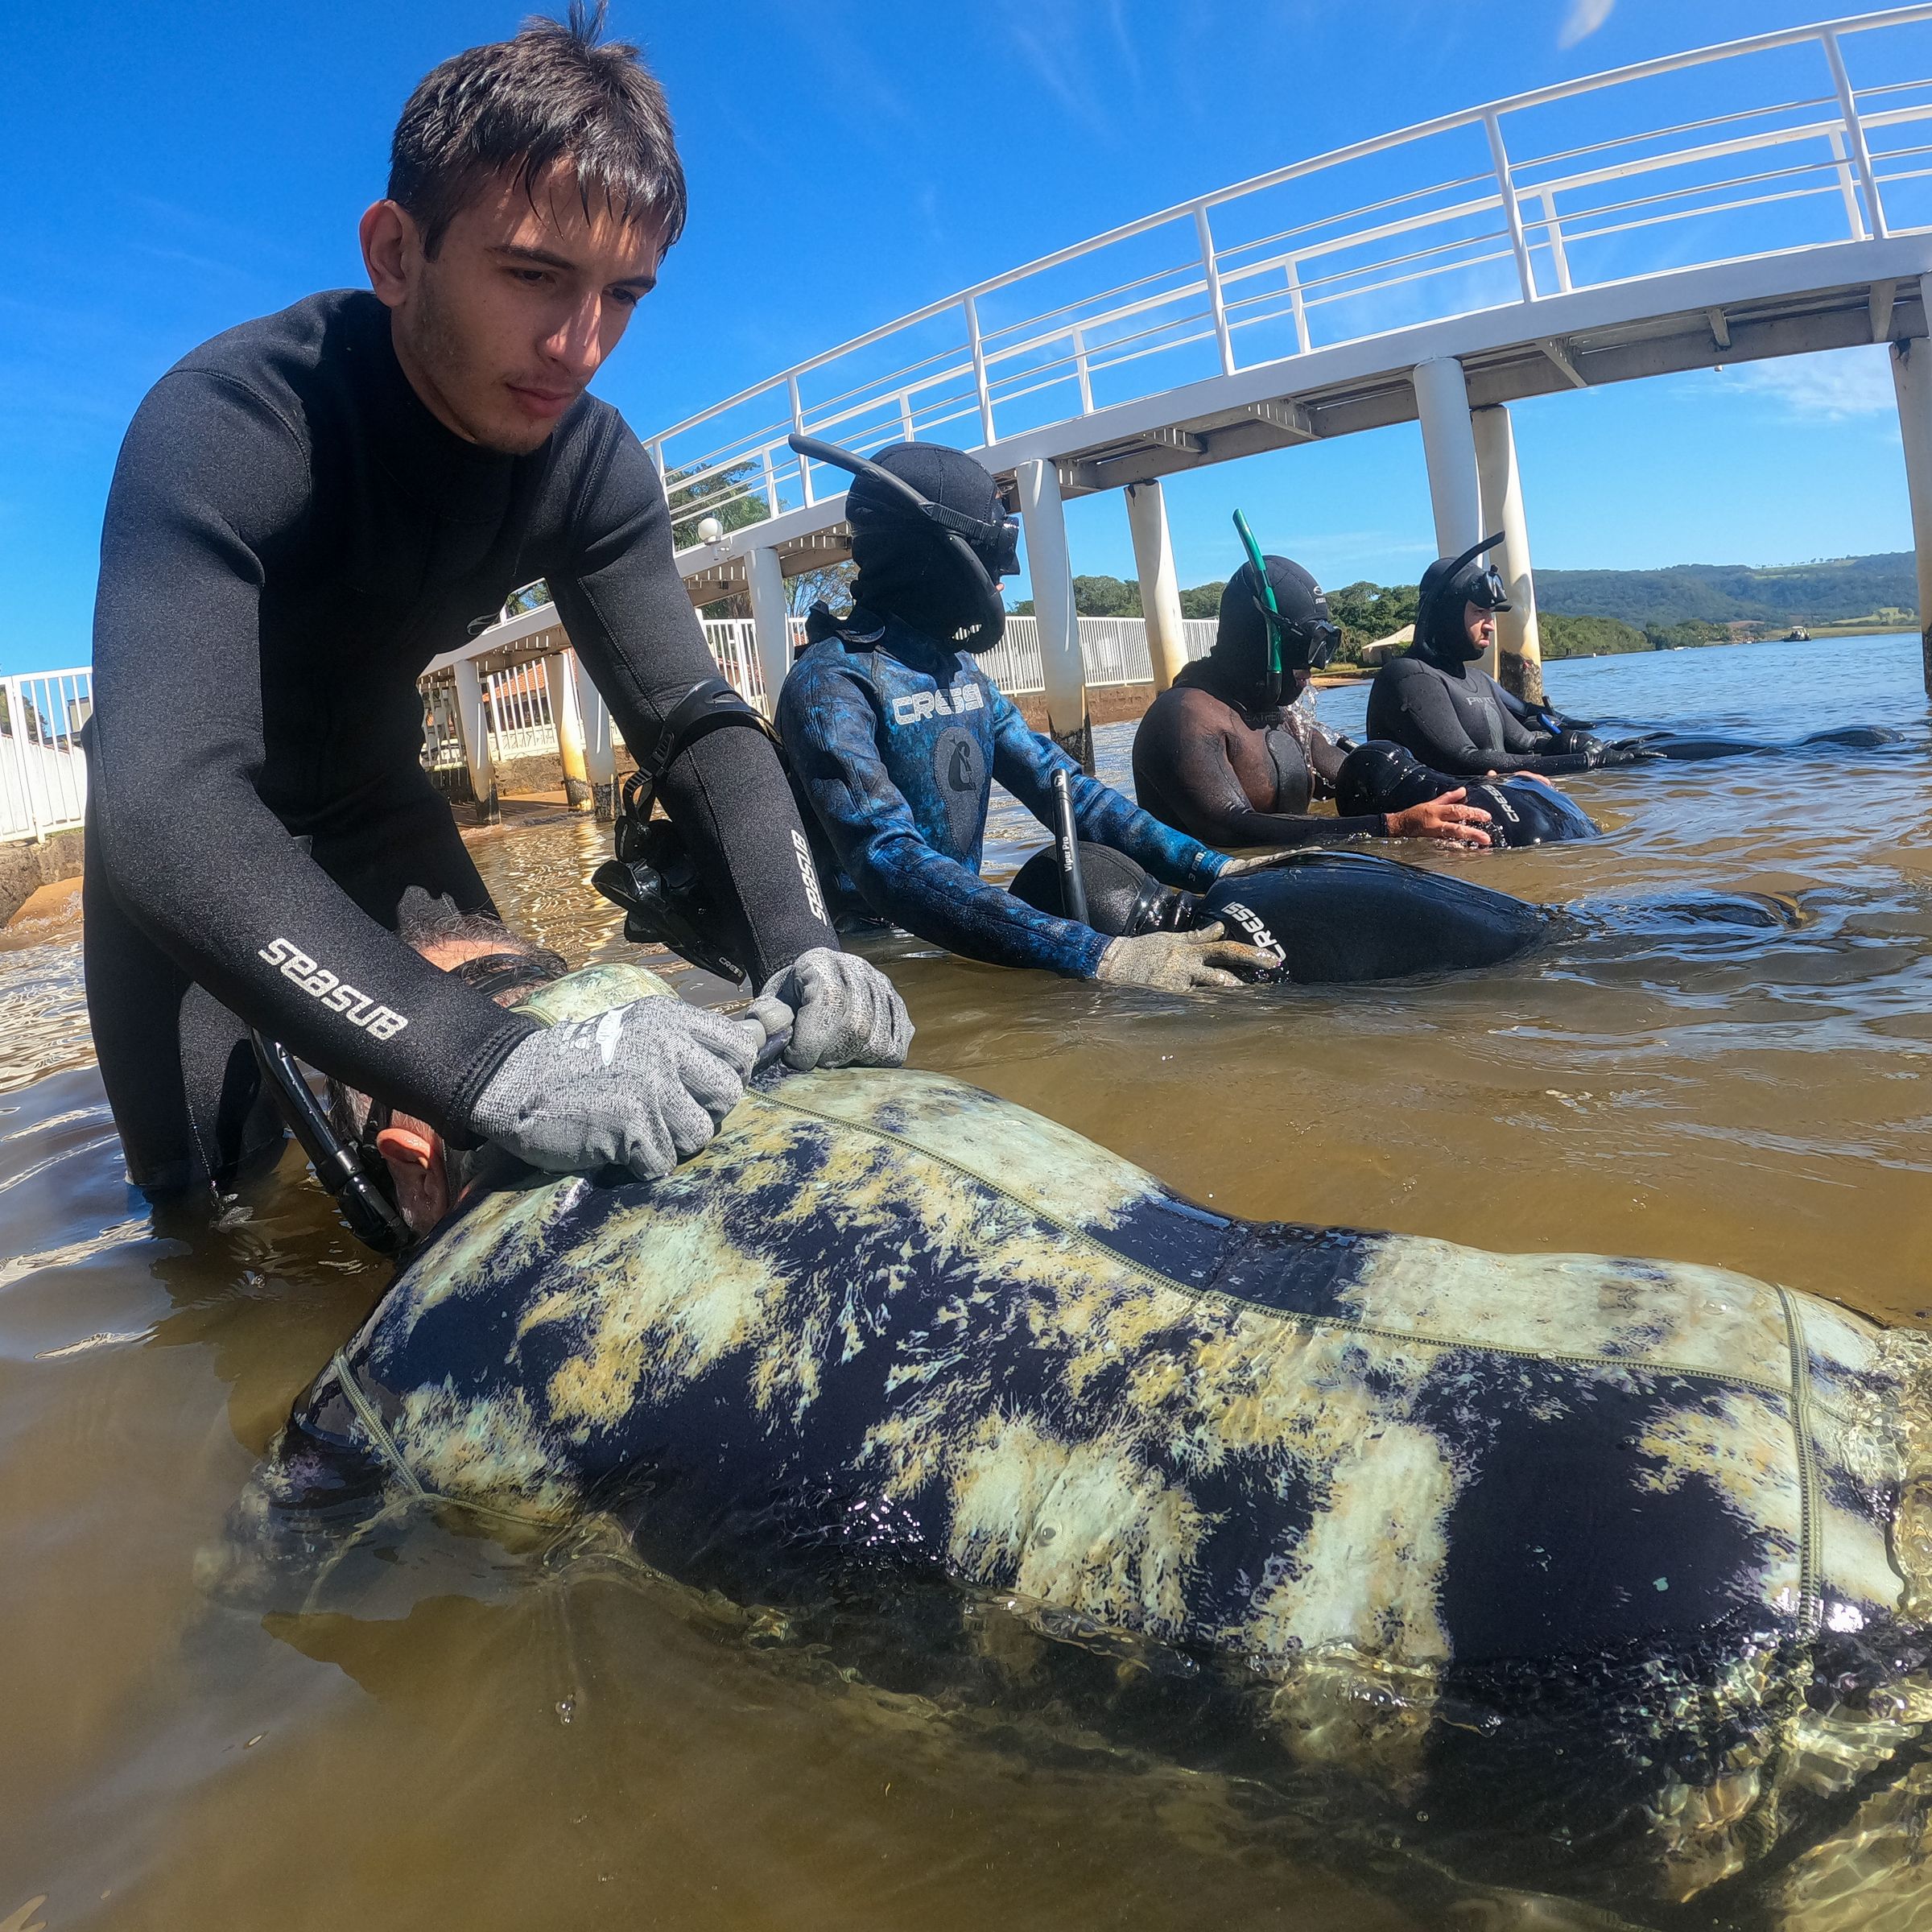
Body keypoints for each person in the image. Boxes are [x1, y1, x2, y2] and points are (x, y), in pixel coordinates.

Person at [238, 943, 1932, 1927]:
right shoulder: (842, 1078)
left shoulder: (443, 1336)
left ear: (408, 1138)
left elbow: (252, 1615)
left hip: (1679, 1693)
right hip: (1751, 1352)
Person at [83, 6, 907, 1210]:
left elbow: (688, 716)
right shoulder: (227, 424)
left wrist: (803, 940)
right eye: (533, 275)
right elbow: (166, 810)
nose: (579, 347)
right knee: (209, 1215)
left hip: (378, 808)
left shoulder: (593, 465)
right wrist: (490, 1064)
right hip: (181, 844)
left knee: (497, 1107)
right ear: (395, 251)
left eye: (624, 295)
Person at [776, 437, 1296, 993]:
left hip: (962, 934)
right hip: (871, 965)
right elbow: (886, 859)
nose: (1008, 576)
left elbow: (1071, 792)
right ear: (937, 551)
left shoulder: (959, 671)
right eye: (994, 551)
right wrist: (1101, 955)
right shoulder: (831, 682)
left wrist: (1216, 869)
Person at [1133, 553, 1493, 849]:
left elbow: (1361, 775)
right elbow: (1231, 829)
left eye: (1325, 646)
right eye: (1307, 647)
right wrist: (1392, 826)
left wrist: (1477, 789)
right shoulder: (1185, 717)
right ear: (1262, 640)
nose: (1316, 666)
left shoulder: (1278, 716)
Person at [1365, 537, 1650, 777]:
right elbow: (1463, 760)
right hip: (1450, 829)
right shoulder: (1408, 676)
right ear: (1446, 615)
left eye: (1490, 613)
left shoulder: (1478, 680)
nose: (1490, 623)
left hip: (1499, 806)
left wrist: (1584, 745)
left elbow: (1526, 743)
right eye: (1479, 612)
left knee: (1651, 755)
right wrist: (1586, 763)